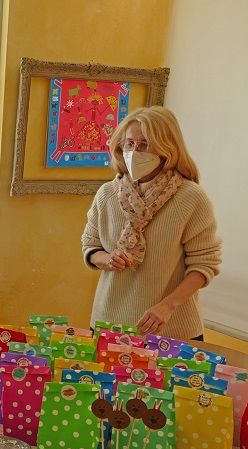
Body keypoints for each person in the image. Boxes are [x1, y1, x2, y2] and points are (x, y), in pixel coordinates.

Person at [81, 106, 222, 339]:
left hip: (172, 329)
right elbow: (90, 246)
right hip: (110, 324)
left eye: (145, 144)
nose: (134, 152)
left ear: (167, 148)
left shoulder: (190, 197)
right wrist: (107, 259)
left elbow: (204, 264)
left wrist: (168, 306)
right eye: (129, 143)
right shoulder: (107, 194)